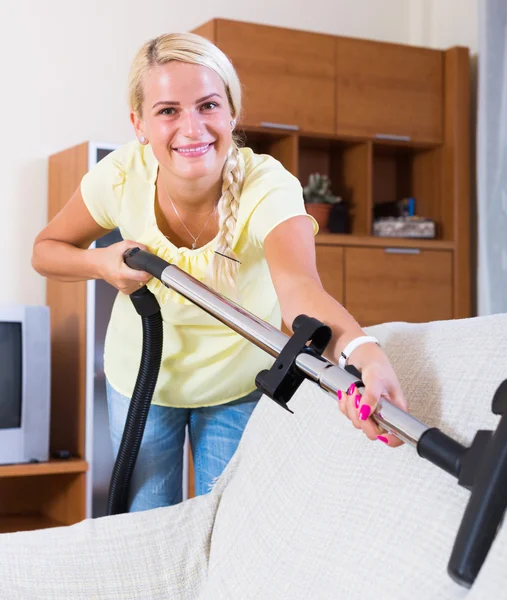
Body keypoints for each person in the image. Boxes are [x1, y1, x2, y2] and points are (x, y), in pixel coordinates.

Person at [32, 32, 408, 512]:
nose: (192, 129)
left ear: (232, 112)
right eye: (168, 110)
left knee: (232, 526)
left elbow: (299, 289)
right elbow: (46, 251)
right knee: (152, 527)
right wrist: (100, 263)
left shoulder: (267, 186)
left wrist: (364, 353)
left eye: (208, 105)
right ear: (139, 123)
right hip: (144, 383)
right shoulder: (121, 175)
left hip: (238, 384)